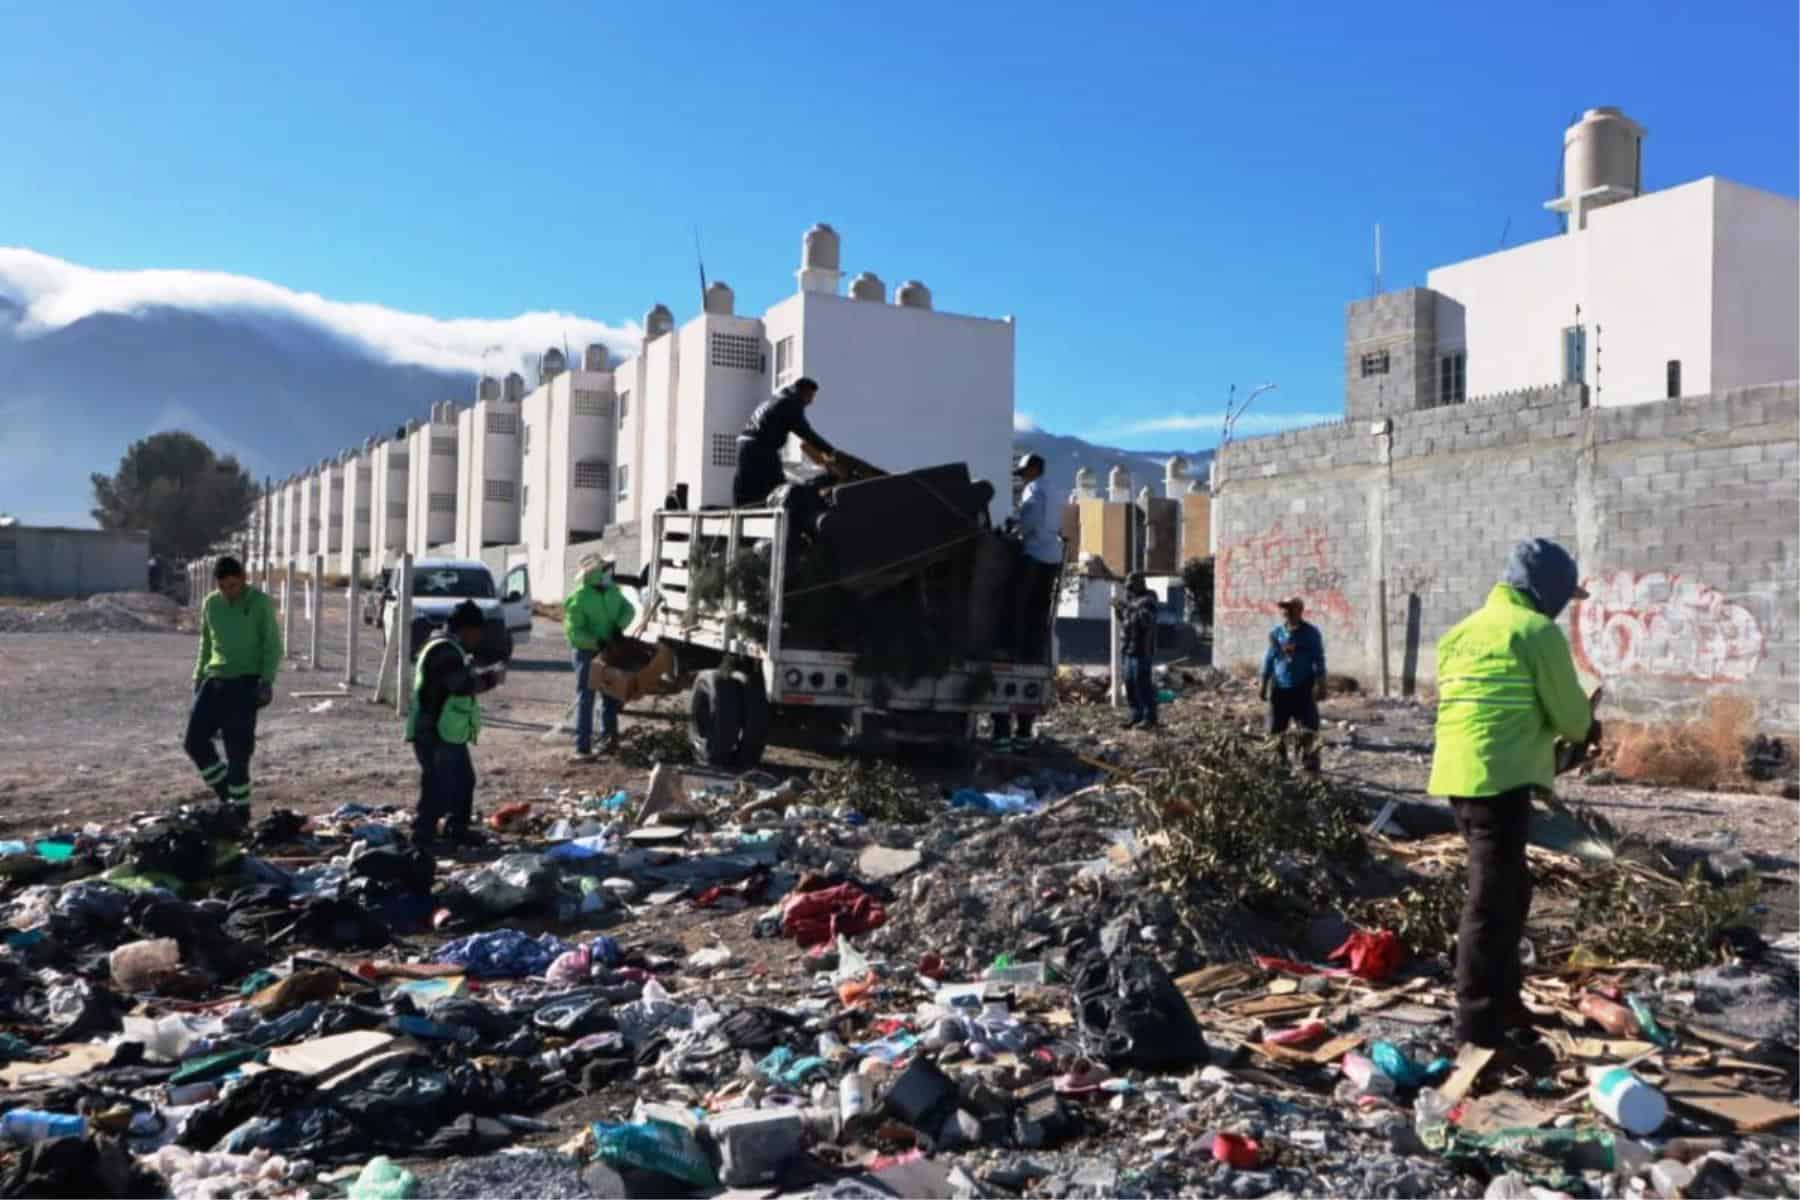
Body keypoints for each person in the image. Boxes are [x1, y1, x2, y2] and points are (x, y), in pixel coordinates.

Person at [1429, 538, 1597, 1051]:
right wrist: (1586, 729)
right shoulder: (1536, 631)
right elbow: (1571, 716)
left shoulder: (1460, 632)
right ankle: (1476, 1024)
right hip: (1501, 782)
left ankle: (1504, 999)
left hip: (1459, 777)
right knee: (1490, 900)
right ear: (1546, 591)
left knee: (1512, 889)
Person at [186, 556, 282, 819]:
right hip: (214, 680)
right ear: (216, 584)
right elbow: (206, 644)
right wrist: (198, 678)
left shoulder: (259, 603)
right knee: (193, 742)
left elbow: (272, 645)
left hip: (245, 684)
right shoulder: (211, 604)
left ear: (243, 580)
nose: (229, 592)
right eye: (223, 587)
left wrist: (266, 680)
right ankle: (227, 794)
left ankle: (240, 814)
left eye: (234, 586)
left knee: (237, 753)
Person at [406, 600, 499, 850]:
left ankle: (456, 829)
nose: (479, 639)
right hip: (435, 731)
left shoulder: (449, 648)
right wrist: (491, 678)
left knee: (462, 781)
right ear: (466, 629)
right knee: (438, 785)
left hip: (446, 731)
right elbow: (459, 685)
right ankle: (423, 837)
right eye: (477, 632)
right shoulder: (444, 650)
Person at [564, 553, 636, 758]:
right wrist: (596, 642)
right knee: (586, 697)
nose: (609, 573)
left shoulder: (613, 591)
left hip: (608, 650)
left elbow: (628, 610)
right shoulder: (578, 598)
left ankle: (609, 741)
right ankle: (583, 746)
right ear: (595, 574)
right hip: (586, 653)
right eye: (605, 570)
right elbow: (574, 632)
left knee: (611, 695)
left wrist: (618, 628)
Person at [734, 377, 836, 506]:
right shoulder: (790, 404)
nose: (811, 402)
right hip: (759, 448)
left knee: (748, 487)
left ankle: (740, 513)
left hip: (747, 445)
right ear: (803, 392)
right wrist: (832, 451)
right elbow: (807, 434)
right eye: (811, 396)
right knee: (778, 488)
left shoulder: (778, 398)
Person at [1260, 596, 1326, 771]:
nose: (1285, 611)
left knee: (1309, 730)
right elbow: (1269, 659)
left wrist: (1321, 683)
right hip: (1280, 691)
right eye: (1283, 608)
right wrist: (1263, 682)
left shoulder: (1311, 634)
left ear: (1299, 610)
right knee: (1274, 731)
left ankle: (1310, 770)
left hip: (1302, 689)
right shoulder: (1276, 634)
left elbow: (1318, 659)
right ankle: (1279, 766)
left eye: (1289, 608)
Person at [1116, 572, 1160, 730]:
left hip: (1143, 649)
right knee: (1130, 684)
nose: (1129, 590)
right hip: (1129, 648)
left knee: (1142, 684)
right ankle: (1137, 716)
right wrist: (1120, 610)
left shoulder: (1149, 599)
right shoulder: (1132, 600)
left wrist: (1129, 608)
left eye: (1131, 587)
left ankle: (1150, 718)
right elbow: (1127, 623)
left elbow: (1145, 621)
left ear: (1139, 584)